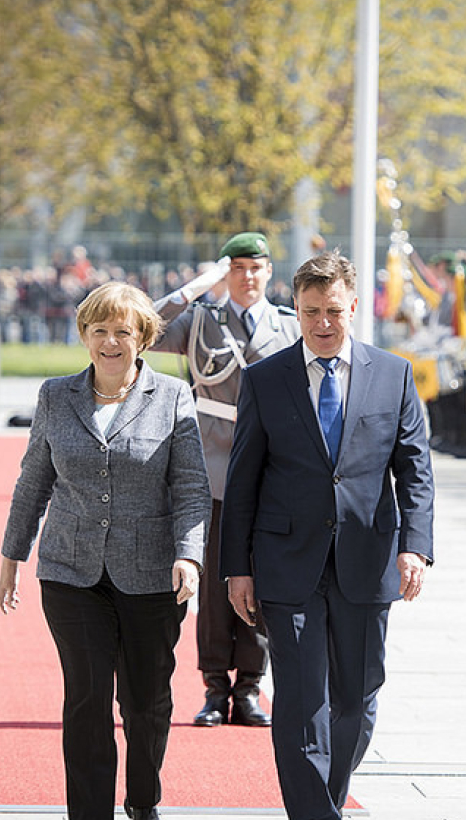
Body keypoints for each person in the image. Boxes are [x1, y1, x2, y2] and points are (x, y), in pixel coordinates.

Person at [221, 252, 435, 820]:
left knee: (357, 700)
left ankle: (326, 802)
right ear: (295, 309)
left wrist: (415, 547)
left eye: (333, 311)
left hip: (368, 560)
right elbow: (242, 479)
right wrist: (236, 567)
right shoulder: (266, 380)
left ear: (354, 307)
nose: (322, 323)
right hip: (286, 563)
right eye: (311, 311)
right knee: (299, 701)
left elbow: (415, 469)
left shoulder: (394, 374)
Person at [0, 281, 211, 820]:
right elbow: (32, 482)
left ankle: (143, 800)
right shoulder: (55, 395)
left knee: (145, 703)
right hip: (70, 572)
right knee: (87, 699)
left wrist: (190, 555)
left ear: (143, 337)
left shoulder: (174, 396)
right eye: (100, 331)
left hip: (152, 576)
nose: (111, 342)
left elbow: (189, 487)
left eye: (123, 331)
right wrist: (11, 557)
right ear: (83, 336)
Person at [151, 232, 300, 729]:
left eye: (256, 268)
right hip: (212, 465)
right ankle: (215, 687)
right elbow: (144, 328)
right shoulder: (200, 321)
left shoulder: (287, 326)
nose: (247, 277)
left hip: (269, 469)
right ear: (225, 273)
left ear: (269, 273)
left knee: (261, 578)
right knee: (214, 582)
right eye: (236, 268)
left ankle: (251, 688)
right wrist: (197, 287)